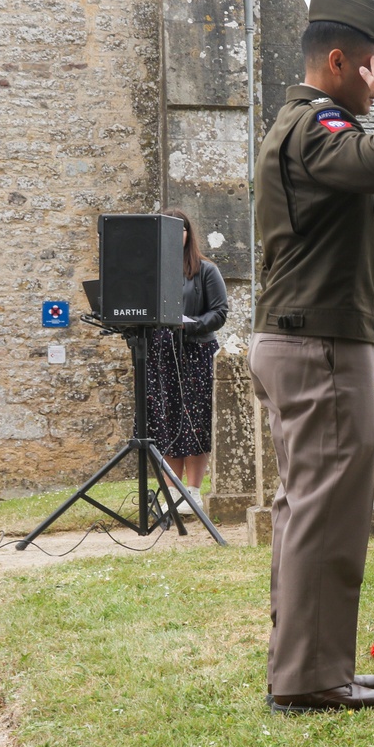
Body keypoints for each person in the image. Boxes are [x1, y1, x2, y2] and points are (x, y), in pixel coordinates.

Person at [247, 0, 374, 713]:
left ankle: (304, 663)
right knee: (327, 510)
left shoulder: (303, 123)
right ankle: (311, 676)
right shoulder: (313, 124)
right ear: (337, 61)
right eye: (372, 66)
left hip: (307, 336)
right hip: (317, 343)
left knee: (308, 508)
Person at [145, 207, 228, 516]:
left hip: (196, 353)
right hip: (160, 356)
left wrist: (188, 324)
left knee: (194, 422)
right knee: (165, 422)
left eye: (178, 229)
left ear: (187, 233)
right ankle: (172, 493)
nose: (173, 235)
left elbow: (219, 313)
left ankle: (192, 491)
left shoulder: (206, 270)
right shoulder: (151, 272)